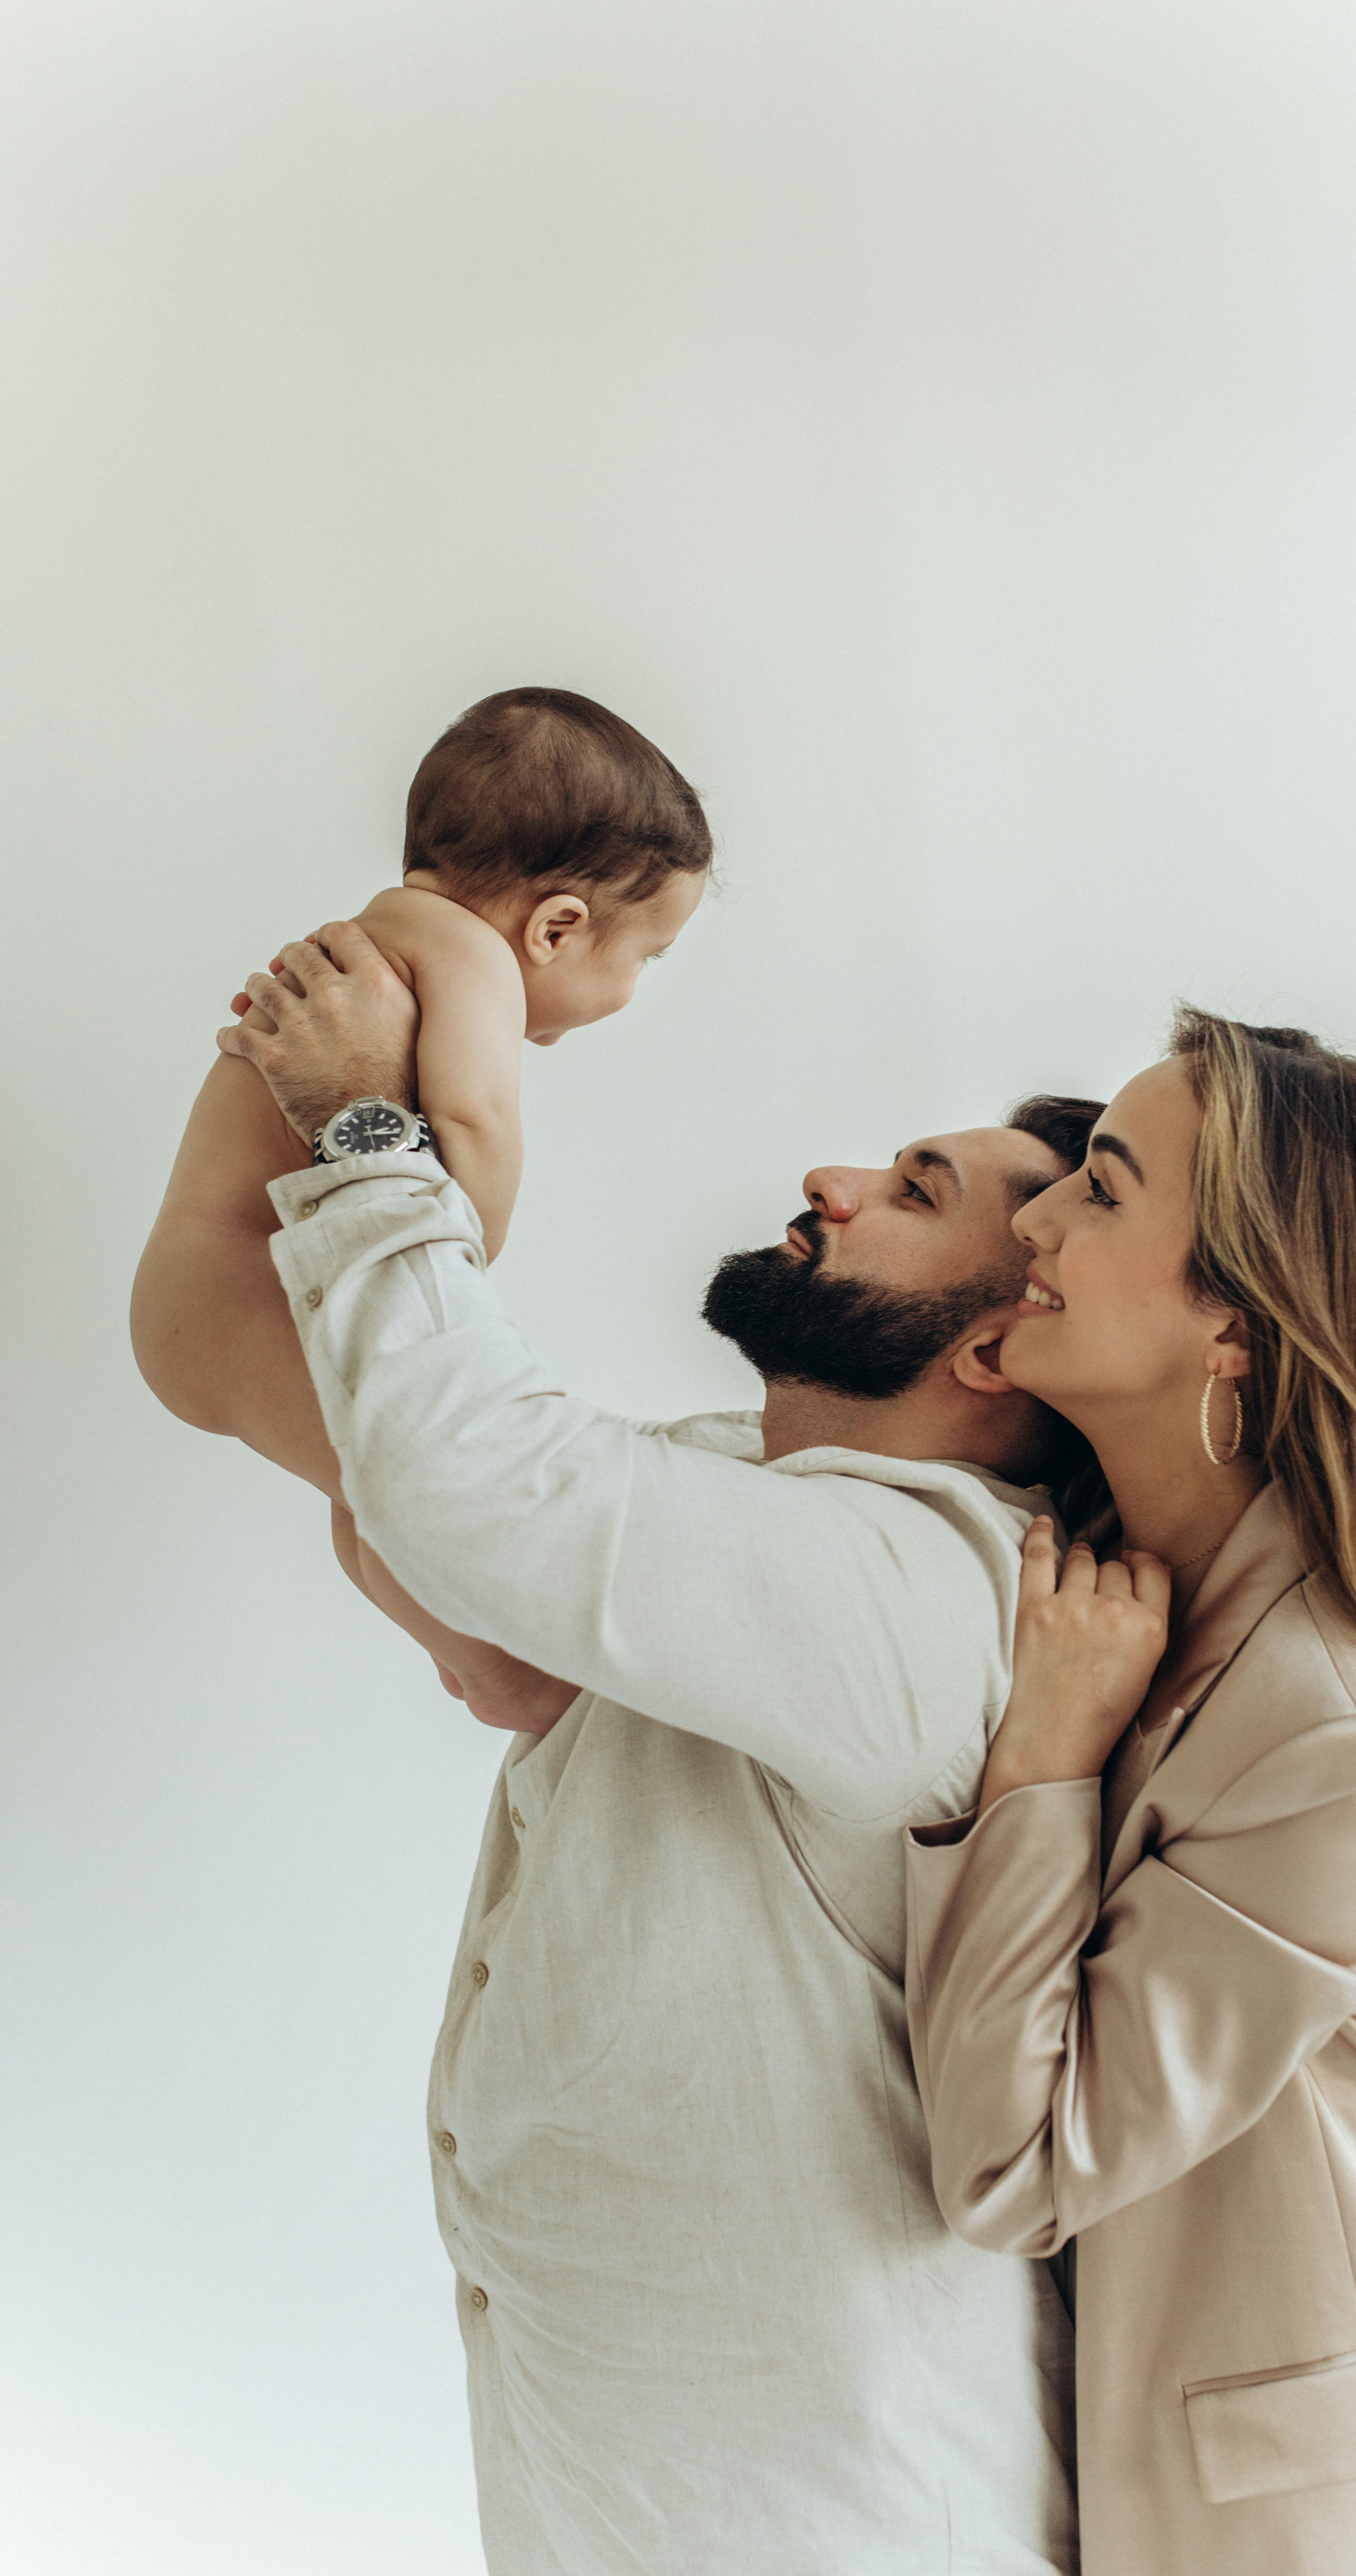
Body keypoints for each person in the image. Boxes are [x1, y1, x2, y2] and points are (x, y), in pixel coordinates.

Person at [142, 906, 1101, 2573]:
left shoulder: (926, 1584)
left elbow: (482, 1487)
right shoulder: (763, 1495)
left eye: (912, 1191)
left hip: (826, 2515)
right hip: (635, 2466)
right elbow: (471, 1524)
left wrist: (371, 1133)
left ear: (993, 1345)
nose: (831, 1179)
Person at [900, 1008, 1356, 2576]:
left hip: (1314, 2518)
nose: (1031, 1216)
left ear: (1233, 1324)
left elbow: (1014, 2162)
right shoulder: (1097, 1565)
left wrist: (1038, 1764)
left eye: (1098, 1186)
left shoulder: (1346, 1739)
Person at [133, 684, 711, 1729]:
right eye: (647, 957)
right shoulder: (472, 960)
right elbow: (475, 1121)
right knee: (406, 1476)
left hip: (209, 1290)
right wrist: (463, 1255)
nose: (636, 986)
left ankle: (471, 1658)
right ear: (558, 927)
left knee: (379, 1474)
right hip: (234, 1289)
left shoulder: (385, 935)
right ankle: (497, 1668)